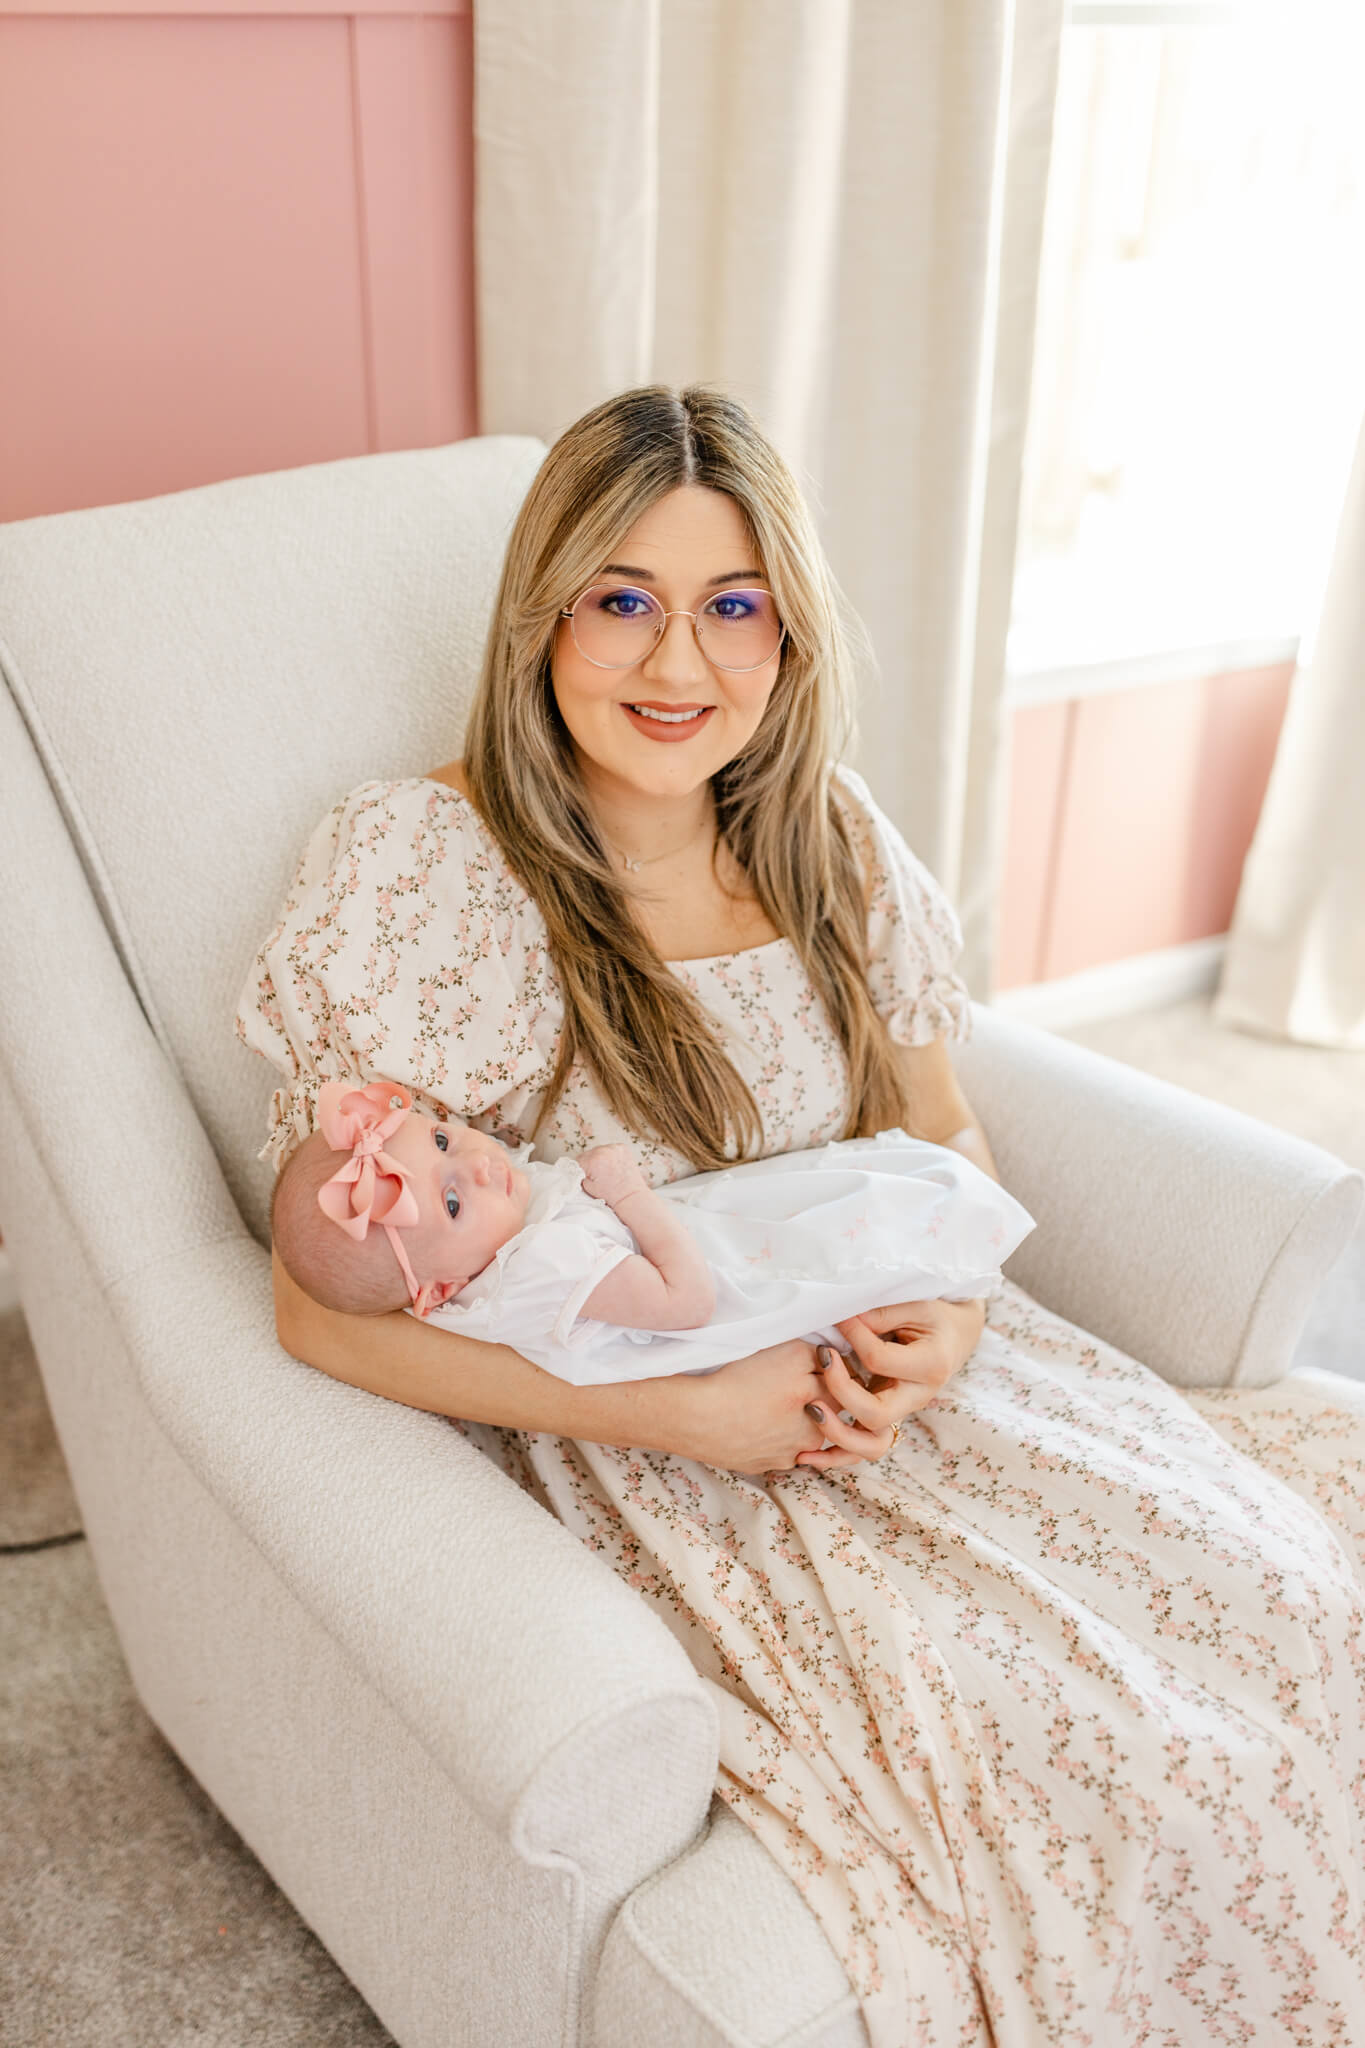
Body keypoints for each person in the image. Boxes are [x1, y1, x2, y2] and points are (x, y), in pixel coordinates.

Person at [237, 385, 1365, 2045]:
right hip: (678, 1448)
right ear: (542, 615)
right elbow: (318, 1302)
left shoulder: (827, 842)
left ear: (788, 634)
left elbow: (940, 1127)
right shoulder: (425, 870)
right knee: (1113, 1768)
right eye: (621, 599)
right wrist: (692, 1406)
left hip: (916, 1370)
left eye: (731, 606)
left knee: (1299, 1617)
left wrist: (960, 1311)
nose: (676, 665)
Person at [268, 1078, 1035, 1385]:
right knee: (845, 1229)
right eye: (453, 1204)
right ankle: (949, 1242)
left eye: (439, 1142)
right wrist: (629, 1195)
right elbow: (688, 1298)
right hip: (719, 1286)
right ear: (437, 1290)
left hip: (699, 1236)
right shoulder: (546, 1268)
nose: (472, 1161)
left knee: (847, 1203)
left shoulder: (498, 1255)